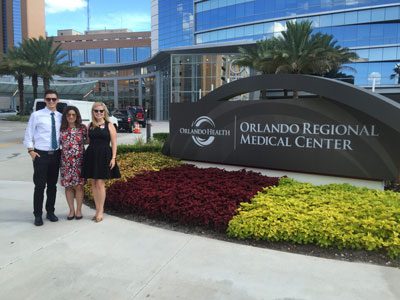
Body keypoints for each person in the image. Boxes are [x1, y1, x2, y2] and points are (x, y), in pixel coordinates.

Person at [24, 89, 62, 226]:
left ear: (58, 100)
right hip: (41, 155)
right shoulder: (36, 115)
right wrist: (31, 151)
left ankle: (50, 212)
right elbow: (28, 134)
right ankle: (38, 215)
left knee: (52, 186)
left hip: (56, 154)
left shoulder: (60, 116)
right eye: (48, 99)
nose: (51, 101)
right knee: (39, 186)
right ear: (45, 100)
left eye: (53, 99)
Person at [82, 102, 120, 222]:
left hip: (104, 155)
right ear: (93, 112)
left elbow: (114, 143)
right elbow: (87, 141)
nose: (99, 113)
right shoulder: (90, 125)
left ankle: (100, 210)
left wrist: (113, 158)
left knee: (100, 183)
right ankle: (97, 209)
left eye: (101, 111)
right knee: (93, 183)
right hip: (91, 155)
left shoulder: (110, 125)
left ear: (105, 112)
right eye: (96, 111)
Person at [59, 106, 87, 220]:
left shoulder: (82, 128)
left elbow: (90, 140)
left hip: (79, 162)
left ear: (77, 116)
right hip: (65, 163)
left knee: (79, 187)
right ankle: (71, 210)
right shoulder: (61, 129)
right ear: (65, 116)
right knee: (68, 187)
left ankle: (79, 210)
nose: (71, 117)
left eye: (73, 115)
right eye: (68, 115)